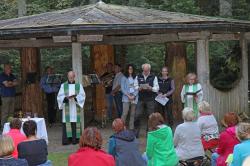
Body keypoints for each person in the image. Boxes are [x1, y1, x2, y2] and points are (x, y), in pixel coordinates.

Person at [57, 71, 86, 145]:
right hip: (67, 107)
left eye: (72, 77)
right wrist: (65, 99)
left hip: (75, 108)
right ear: (67, 77)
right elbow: (59, 96)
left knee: (76, 122)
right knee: (67, 122)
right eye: (70, 77)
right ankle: (67, 140)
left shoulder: (79, 85)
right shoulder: (63, 85)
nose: (71, 78)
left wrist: (76, 98)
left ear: (74, 76)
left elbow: (82, 96)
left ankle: (76, 140)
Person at [134, 63, 159, 137]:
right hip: (141, 99)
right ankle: (136, 132)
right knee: (137, 115)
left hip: (150, 99)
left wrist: (151, 88)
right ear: (142, 70)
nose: (145, 72)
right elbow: (135, 86)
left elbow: (157, 88)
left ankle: (150, 132)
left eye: (147, 71)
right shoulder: (138, 76)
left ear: (149, 70)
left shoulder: (154, 77)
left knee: (151, 116)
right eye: (144, 71)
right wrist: (138, 88)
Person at [0, 64, 18, 128]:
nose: (9, 68)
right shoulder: (2, 76)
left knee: (11, 113)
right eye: (7, 67)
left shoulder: (12, 75)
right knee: (5, 113)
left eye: (10, 67)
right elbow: (6, 85)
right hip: (5, 96)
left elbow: (16, 83)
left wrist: (10, 83)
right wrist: (12, 83)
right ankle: (3, 127)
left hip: (12, 96)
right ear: (4, 68)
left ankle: (10, 126)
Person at [120, 64, 138, 130]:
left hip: (134, 98)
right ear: (127, 69)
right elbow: (122, 88)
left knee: (132, 114)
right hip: (126, 98)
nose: (130, 70)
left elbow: (137, 87)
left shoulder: (136, 77)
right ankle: (121, 127)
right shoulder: (123, 77)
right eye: (129, 68)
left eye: (131, 69)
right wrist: (128, 95)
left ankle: (131, 128)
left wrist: (134, 95)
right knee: (125, 113)